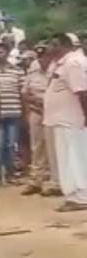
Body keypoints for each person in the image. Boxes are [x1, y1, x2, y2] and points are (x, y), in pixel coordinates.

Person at [43, 34, 87, 211]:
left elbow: (82, 92)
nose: (49, 49)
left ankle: (81, 197)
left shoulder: (73, 63)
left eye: (52, 45)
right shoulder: (63, 63)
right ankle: (74, 195)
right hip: (62, 120)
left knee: (74, 158)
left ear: (62, 45)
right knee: (68, 158)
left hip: (72, 119)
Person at [22, 46, 61, 196]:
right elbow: (25, 93)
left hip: (53, 112)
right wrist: (35, 101)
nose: (42, 60)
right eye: (40, 57)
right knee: (36, 147)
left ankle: (54, 181)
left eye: (44, 56)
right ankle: (35, 180)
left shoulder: (56, 71)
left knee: (53, 148)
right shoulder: (32, 74)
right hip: (36, 111)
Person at [0, 45, 25, 184]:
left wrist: (24, 112)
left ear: (7, 53)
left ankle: (10, 175)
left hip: (14, 112)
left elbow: (22, 93)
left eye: (1, 52)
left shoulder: (17, 71)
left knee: (11, 145)